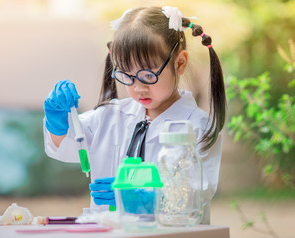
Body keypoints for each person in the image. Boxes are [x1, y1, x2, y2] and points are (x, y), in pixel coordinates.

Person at [43, 6, 226, 224]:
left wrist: (142, 199)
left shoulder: (197, 127)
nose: (138, 87)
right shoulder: (108, 116)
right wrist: (58, 121)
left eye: (148, 74)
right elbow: (67, 147)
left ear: (179, 63)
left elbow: (195, 195)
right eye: (125, 74)